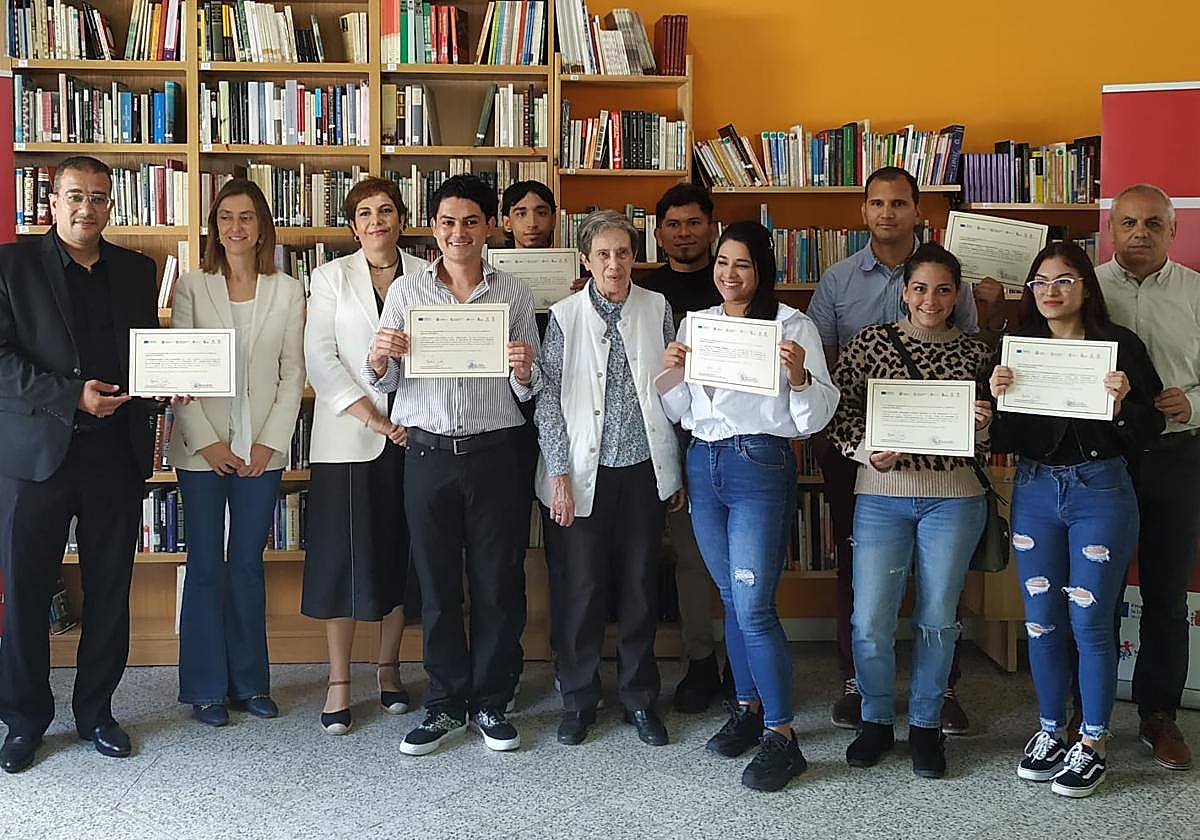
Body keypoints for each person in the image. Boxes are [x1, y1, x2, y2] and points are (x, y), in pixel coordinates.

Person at [806, 165, 998, 733]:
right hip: (875, 471)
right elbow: (833, 380)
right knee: (864, 586)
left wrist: (980, 424)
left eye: (899, 203)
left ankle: (936, 701)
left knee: (940, 601)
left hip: (949, 484)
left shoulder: (963, 326)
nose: (887, 212)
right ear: (864, 210)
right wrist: (867, 448)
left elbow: (975, 383)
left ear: (918, 211)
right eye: (877, 203)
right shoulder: (840, 282)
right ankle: (864, 694)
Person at [363, 174, 541, 756]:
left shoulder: (513, 294)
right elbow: (389, 383)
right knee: (438, 587)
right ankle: (444, 703)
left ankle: (492, 700)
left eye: (470, 221)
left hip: (497, 456)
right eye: (446, 222)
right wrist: (381, 360)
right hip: (428, 454)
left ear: (490, 227)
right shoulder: (408, 294)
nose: (458, 232)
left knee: (497, 583)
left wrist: (522, 370)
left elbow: (531, 392)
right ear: (433, 229)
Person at [660, 220, 839, 792]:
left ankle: (783, 737)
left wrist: (800, 377)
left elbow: (816, 415)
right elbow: (683, 412)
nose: (729, 274)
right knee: (732, 602)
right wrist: (672, 372)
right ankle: (748, 708)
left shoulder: (792, 325)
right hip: (704, 463)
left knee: (755, 605)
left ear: (762, 270)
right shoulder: (698, 324)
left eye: (741, 264)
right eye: (722, 263)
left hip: (759, 463)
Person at [0, 156, 163, 772]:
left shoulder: (135, 270)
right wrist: (72, 395)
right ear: (52, 199)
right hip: (34, 457)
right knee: (26, 592)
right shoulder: (10, 265)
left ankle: (95, 712)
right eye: (75, 196)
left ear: (111, 203)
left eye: (98, 197)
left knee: (109, 590)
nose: (86, 208)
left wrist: (166, 386)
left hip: (111, 456)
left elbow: (144, 358)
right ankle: (23, 720)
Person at [990, 241, 1162, 798]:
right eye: (1040, 281)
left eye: (1064, 280)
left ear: (1087, 287)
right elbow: (1004, 439)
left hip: (1101, 491)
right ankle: (1049, 731)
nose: (1051, 291)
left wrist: (1121, 405)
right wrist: (998, 401)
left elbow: (1150, 426)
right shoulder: (1017, 349)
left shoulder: (1120, 347)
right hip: (1037, 488)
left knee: (1089, 622)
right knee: (1040, 619)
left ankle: (1093, 741)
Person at [828, 243, 994, 779]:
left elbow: (991, 440)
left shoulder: (976, 353)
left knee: (937, 618)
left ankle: (925, 724)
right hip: (880, 494)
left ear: (958, 295)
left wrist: (984, 423)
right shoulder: (868, 343)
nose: (931, 299)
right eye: (920, 288)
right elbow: (838, 415)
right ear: (903, 291)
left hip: (954, 496)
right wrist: (864, 451)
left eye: (944, 289)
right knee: (870, 618)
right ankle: (876, 719)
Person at [536, 210, 684, 747]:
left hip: (642, 472)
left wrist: (674, 470)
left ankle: (640, 699)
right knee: (580, 591)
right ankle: (578, 699)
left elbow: (673, 390)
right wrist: (557, 474)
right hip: (579, 475)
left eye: (623, 252)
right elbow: (546, 398)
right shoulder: (565, 314)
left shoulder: (657, 307)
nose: (615, 263)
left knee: (641, 589)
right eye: (604, 254)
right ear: (585, 259)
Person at [169, 178, 306, 727]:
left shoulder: (288, 289)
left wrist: (269, 441)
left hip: (262, 451)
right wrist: (209, 442)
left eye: (246, 217)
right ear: (214, 225)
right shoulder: (192, 286)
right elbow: (179, 371)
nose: (235, 227)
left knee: (247, 566)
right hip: (202, 447)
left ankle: (251, 683)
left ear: (262, 225)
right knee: (205, 565)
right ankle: (205, 687)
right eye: (225, 217)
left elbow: (293, 373)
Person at [301, 177, 430, 735]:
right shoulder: (329, 277)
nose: (376, 221)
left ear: (401, 218)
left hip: (420, 434)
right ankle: (338, 681)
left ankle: (389, 668)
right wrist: (376, 418)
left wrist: (407, 420)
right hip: (348, 437)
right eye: (364, 213)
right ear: (352, 225)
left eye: (385, 211)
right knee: (339, 558)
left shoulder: (428, 275)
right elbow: (320, 358)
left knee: (400, 553)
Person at [1096, 184, 1200, 772]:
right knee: (1098, 589)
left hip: (1177, 456)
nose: (1140, 233)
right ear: (1111, 227)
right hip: (1106, 458)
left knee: (1164, 592)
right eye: (1129, 222)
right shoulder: (1086, 289)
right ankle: (1091, 715)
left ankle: (1159, 713)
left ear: (1173, 230)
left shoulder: (1196, 291)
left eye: (1153, 224)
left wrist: (1195, 403)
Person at [637, 182, 725, 713]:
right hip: (656, 440)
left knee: (730, 561)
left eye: (694, 222)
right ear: (659, 233)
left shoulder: (734, 285)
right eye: (673, 224)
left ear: (710, 227)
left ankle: (741, 661)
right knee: (684, 561)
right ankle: (699, 661)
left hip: (721, 440)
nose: (684, 233)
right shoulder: (643, 293)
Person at [501, 179, 557, 249]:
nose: (532, 224)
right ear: (507, 223)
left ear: (553, 220)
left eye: (541, 213)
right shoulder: (493, 260)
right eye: (521, 214)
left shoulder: (572, 260)